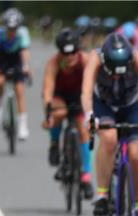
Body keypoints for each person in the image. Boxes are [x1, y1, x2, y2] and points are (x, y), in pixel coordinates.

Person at [82, 30, 138, 216]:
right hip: (105, 104)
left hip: (133, 105)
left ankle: (135, 208)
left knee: (137, 155)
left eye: (122, 70)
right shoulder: (96, 57)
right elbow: (86, 91)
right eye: (113, 71)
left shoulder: (137, 57)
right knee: (109, 139)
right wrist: (89, 115)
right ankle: (102, 195)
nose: (118, 75)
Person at [42, 28, 92, 199]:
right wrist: (48, 110)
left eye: (73, 53)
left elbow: (94, 85)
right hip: (59, 95)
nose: (70, 57)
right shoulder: (54, 63)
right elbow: (48, 88)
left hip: (79, 95)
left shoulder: (85, 60)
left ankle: (86, 175)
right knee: (60, 113)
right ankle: (54, 143)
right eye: (65, 53)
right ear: (60, 52)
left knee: (83, 130)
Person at [0, 9, 32, 139]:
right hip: (3, 59)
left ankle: (23, 126)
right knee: (0, 82)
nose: (12, 31)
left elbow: (24, 51)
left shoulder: (23, 34)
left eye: (14, 28)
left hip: (16, 60)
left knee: (19, 91)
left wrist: (26, 66)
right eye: (9, 28)